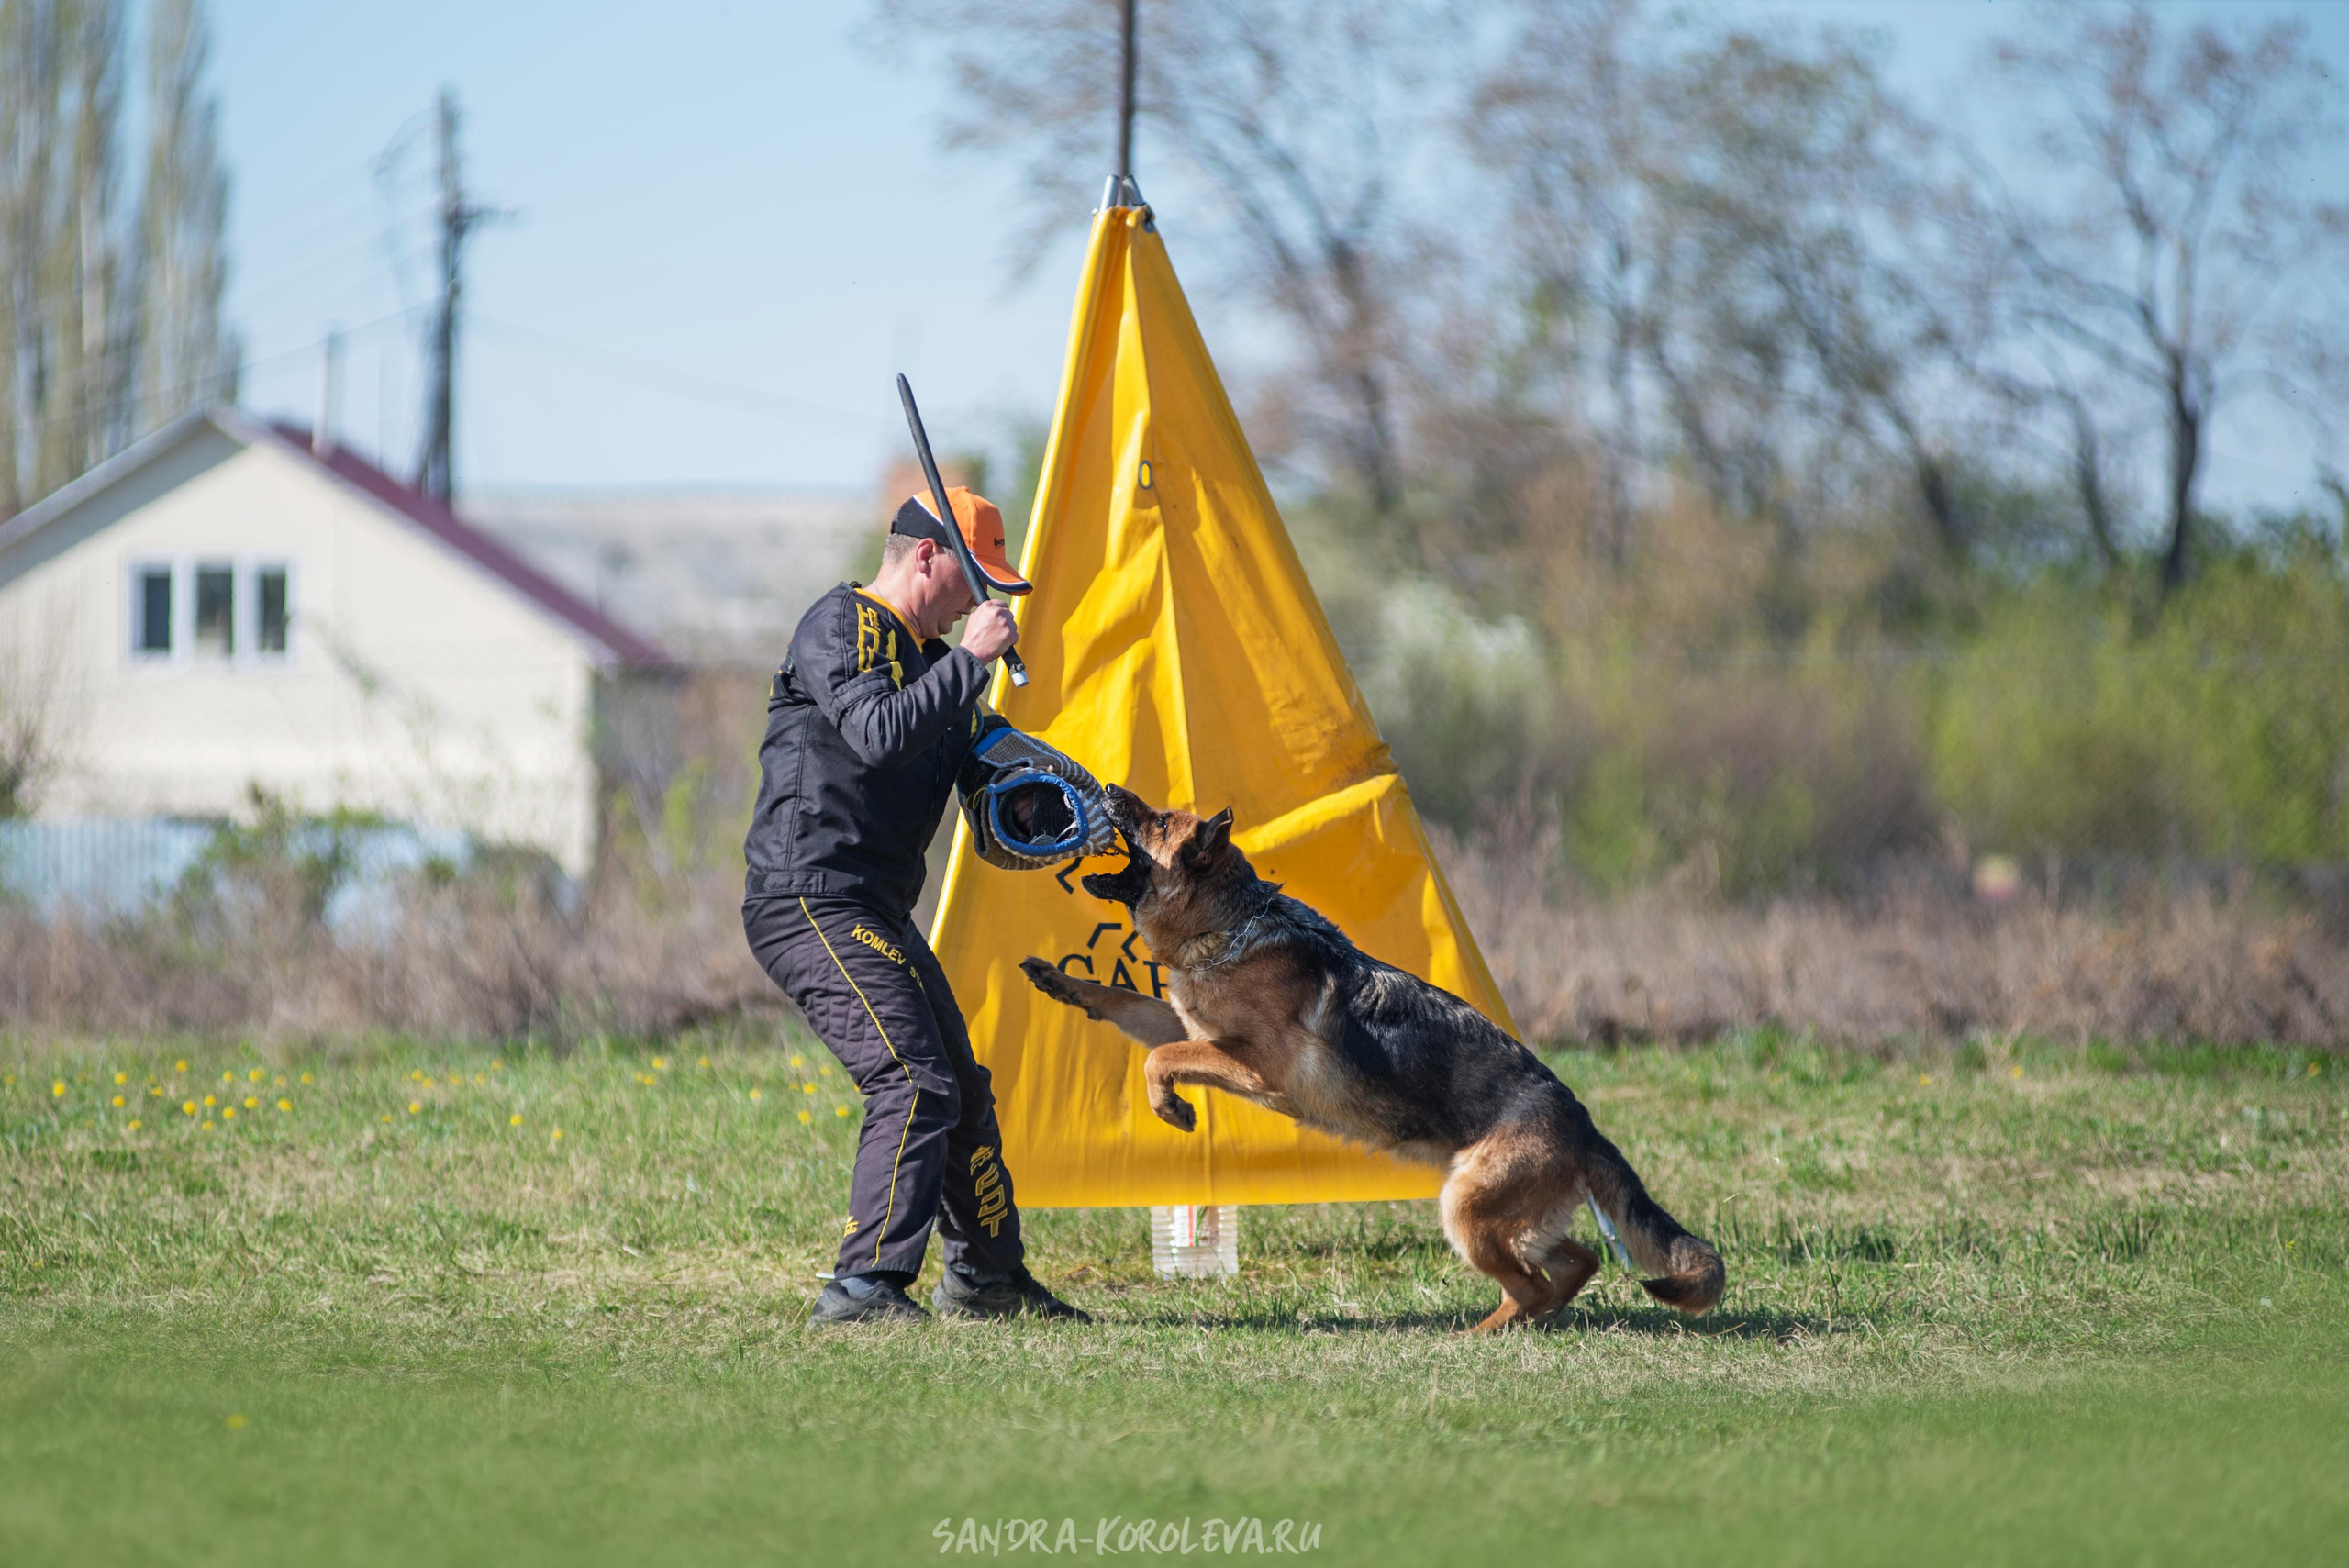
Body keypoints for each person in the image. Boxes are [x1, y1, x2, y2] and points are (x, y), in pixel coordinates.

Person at [741, 486, 1093, 1326]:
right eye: (975, 581)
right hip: (808, 899)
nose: (983, 602)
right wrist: (972, 662)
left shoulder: (941, 668)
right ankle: (862, 1287)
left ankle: (988, 1281)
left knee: (962, 1090)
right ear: (928, 556)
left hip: (876, 907)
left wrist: (1044, 798)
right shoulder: (841, 625)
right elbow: (875, 732)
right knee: (911, 1078)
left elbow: (979, 770)